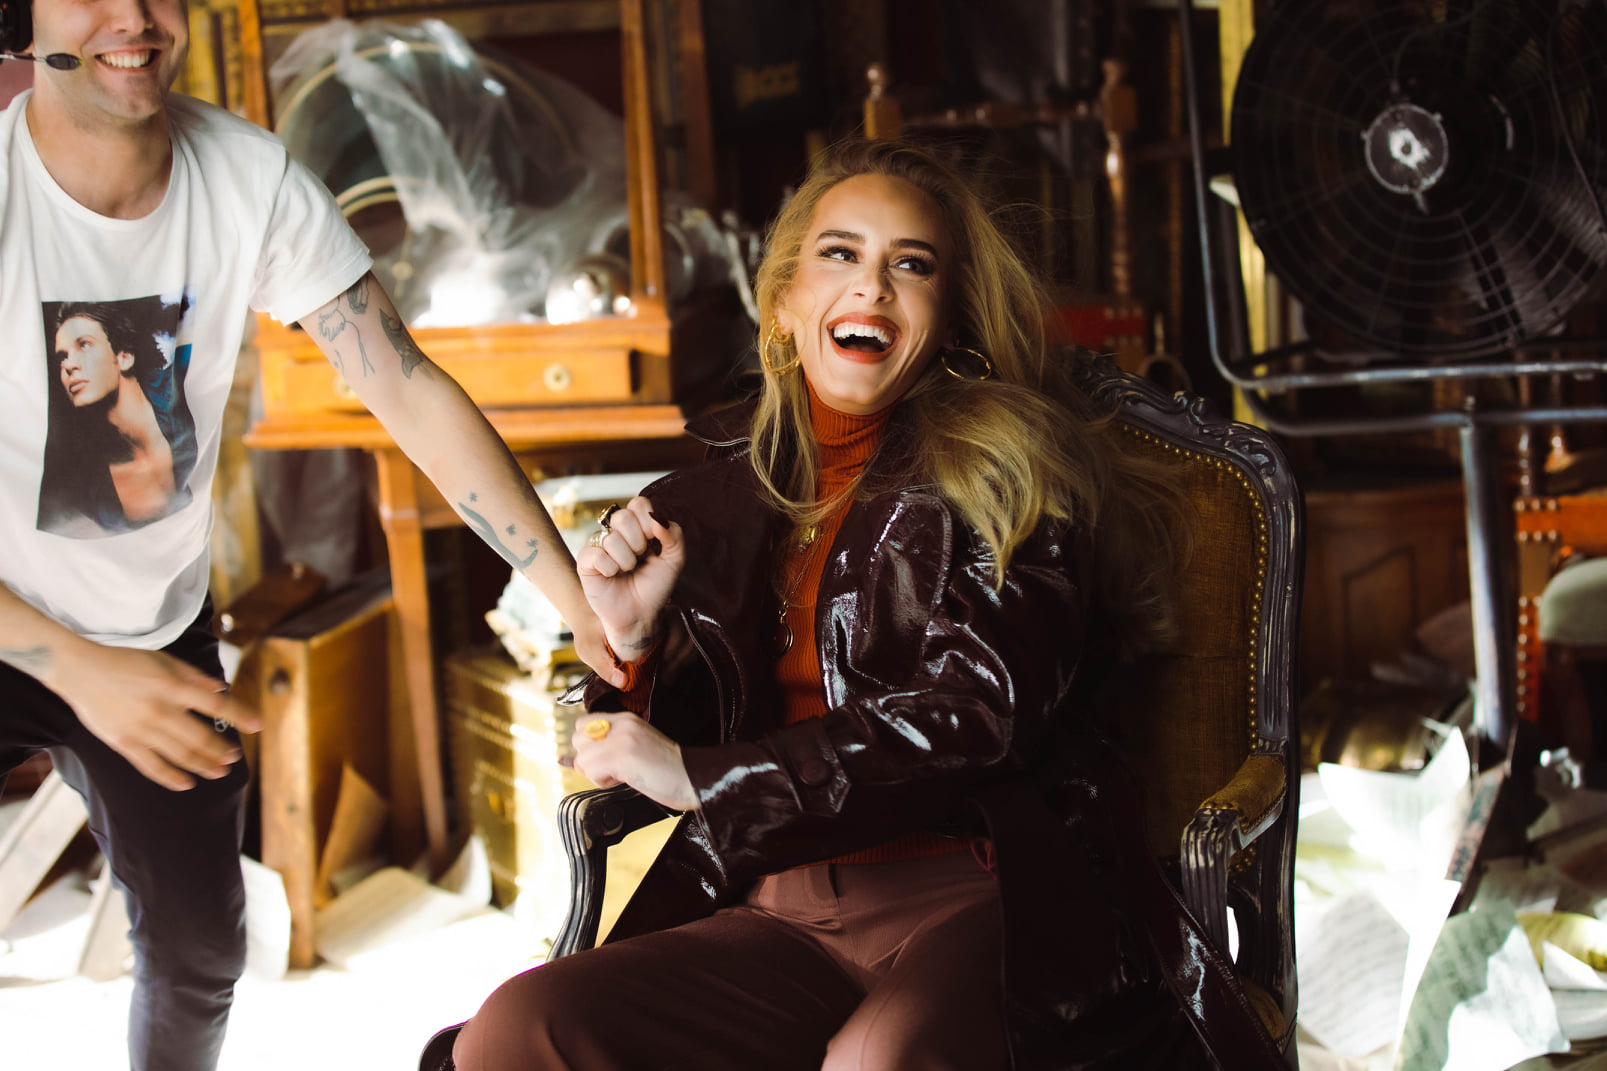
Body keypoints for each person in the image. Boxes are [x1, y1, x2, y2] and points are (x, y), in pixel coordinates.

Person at [448, 139, 1287, 1070]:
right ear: (782, 303)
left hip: (990, 902)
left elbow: (979, 716)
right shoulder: (703, 506)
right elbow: (645, 750)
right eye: (840, 253)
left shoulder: (1009, 476)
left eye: (911, 264)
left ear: (949, 317)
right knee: (520, 1027)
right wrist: (636, 641)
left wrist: (704, 779)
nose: (873, 285)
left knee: (875, 1060)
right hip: (780, 913)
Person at [0, 2, 616, 1069]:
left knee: (201, 955)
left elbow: (405, 387)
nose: (134, 19)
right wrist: (81, 671)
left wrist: (576, 605)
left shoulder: (246, 178)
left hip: (152, 630)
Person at [40, 298, 198, 534]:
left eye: (84, 345)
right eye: (62, 357)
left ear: (124, 357)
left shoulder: (182, 386)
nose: (68, 365)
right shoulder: (87, 485)